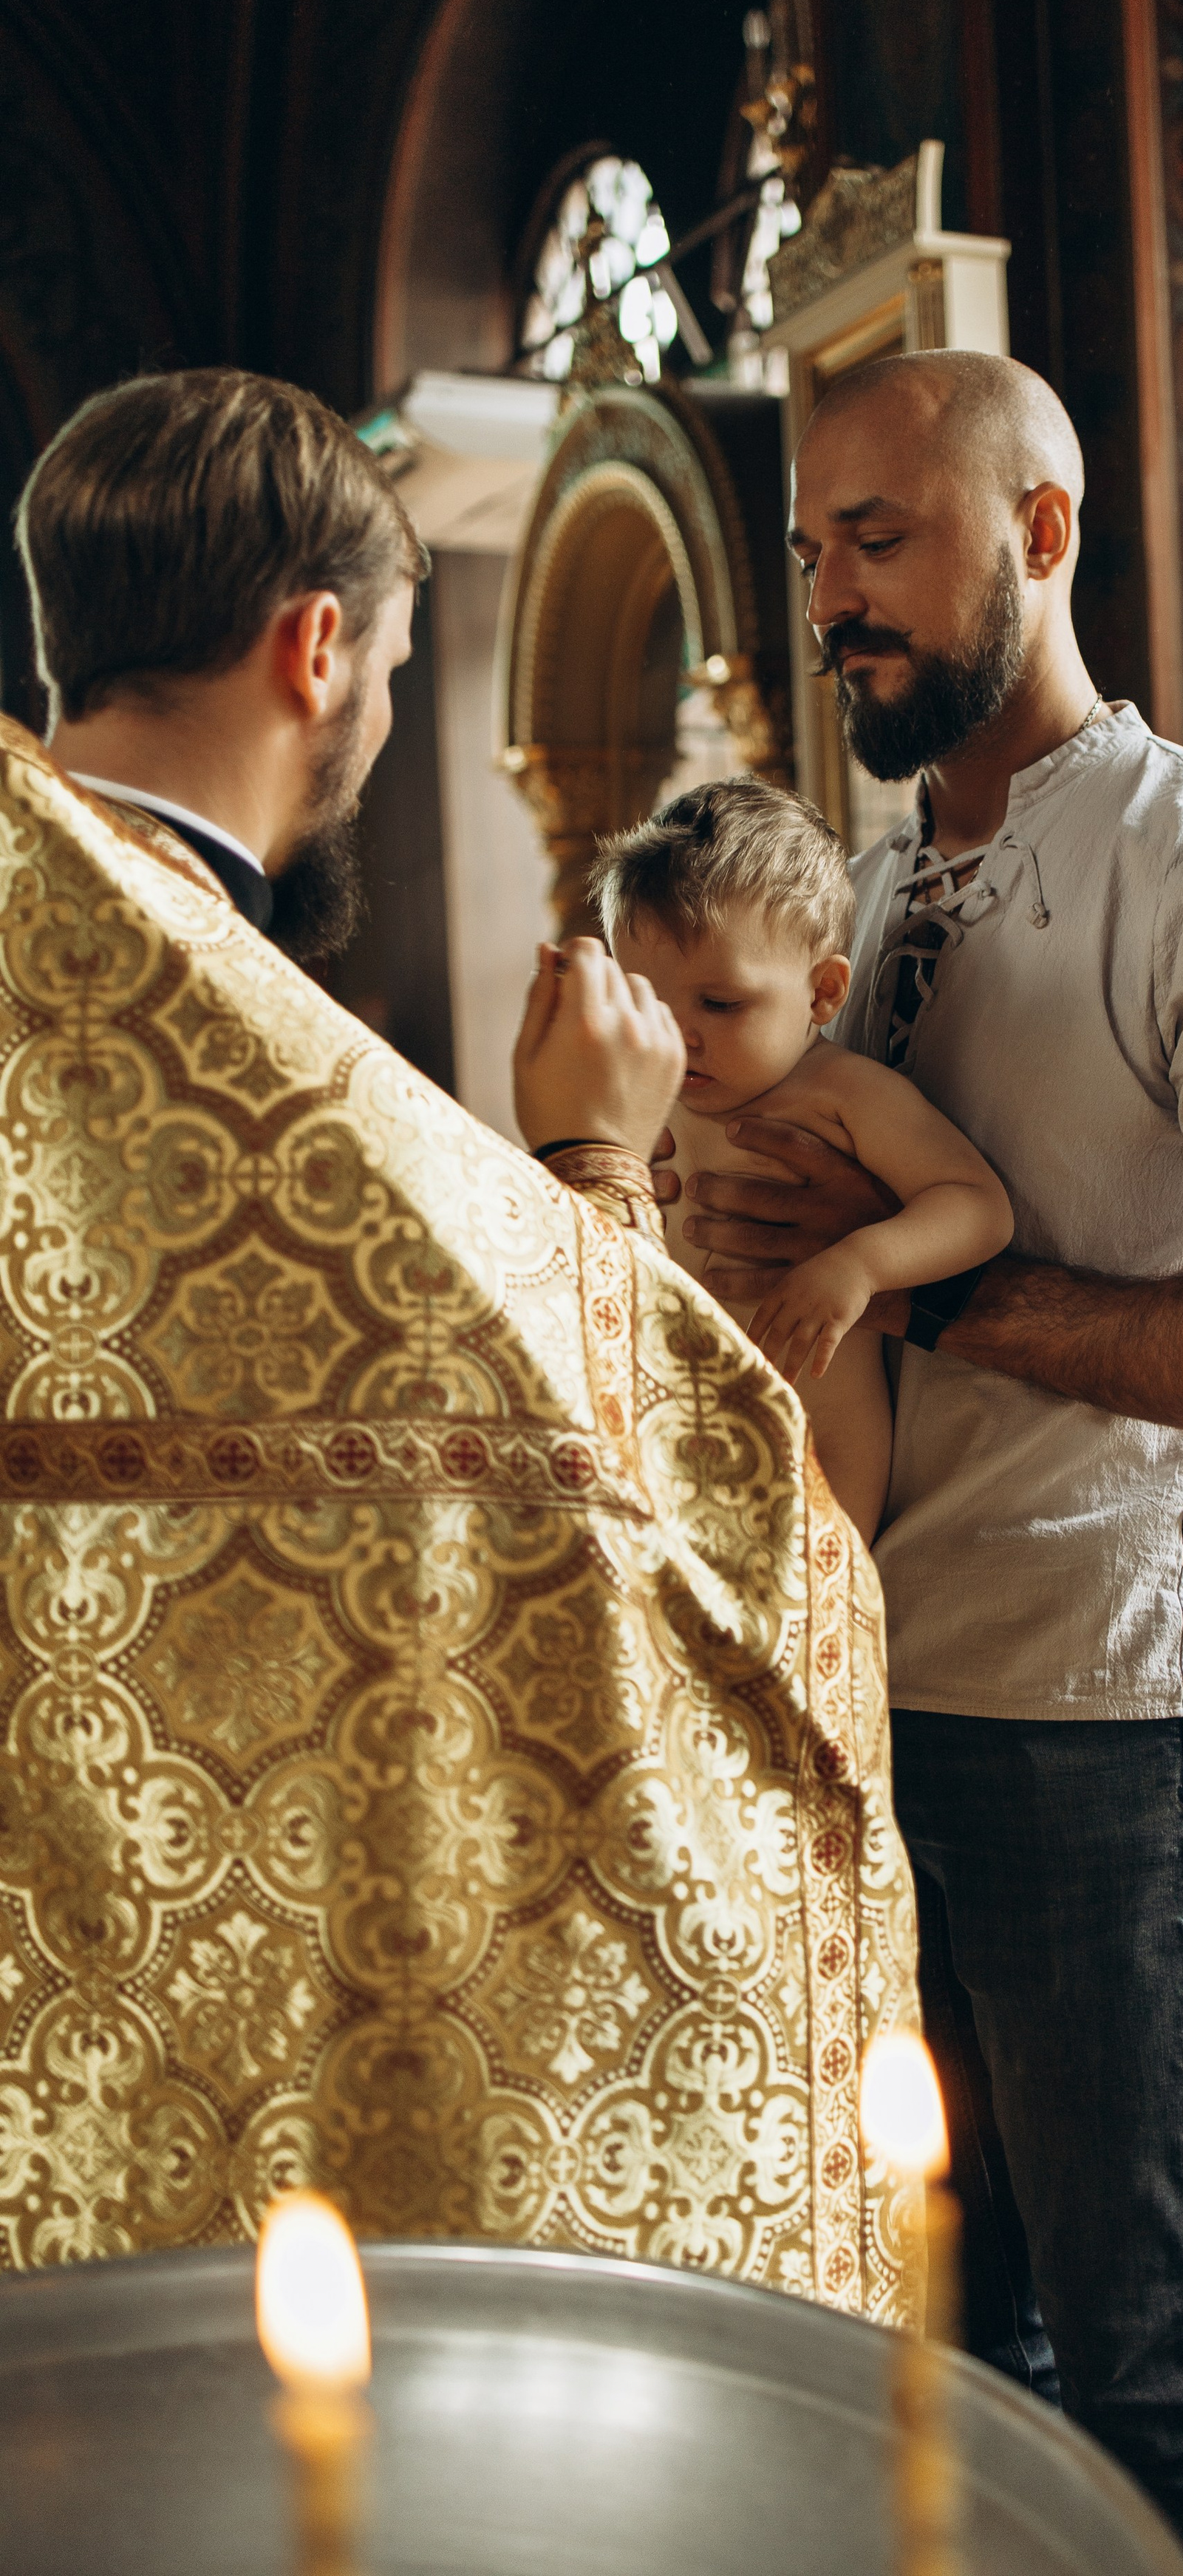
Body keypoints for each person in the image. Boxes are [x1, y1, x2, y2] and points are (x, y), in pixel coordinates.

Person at [0, 368, 918, 2317]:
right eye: (405, 664)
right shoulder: (271, 1093)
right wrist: (600, 1156)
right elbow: (672, 1508)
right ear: (317, 648)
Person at [669, 348, 1183, 2575]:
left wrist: (929, 1294)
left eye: (880, 541)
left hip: (1104, 1728)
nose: (833, 598)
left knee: (1155, 2350)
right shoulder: (863, 892)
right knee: (939, 2353)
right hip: (851, 1700)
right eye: (811, 552)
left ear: (1042, 531)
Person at [592, 774, 1013, 1540]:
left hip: (819, 1444)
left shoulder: (841, 1094)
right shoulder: (640, 1094)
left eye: (719, 1005)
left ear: (822, 995)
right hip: (667, 1433)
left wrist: (860, 1265)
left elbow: (977, 1206)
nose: (677, 1034)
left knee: (821, 1616)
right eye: (646, 1001)